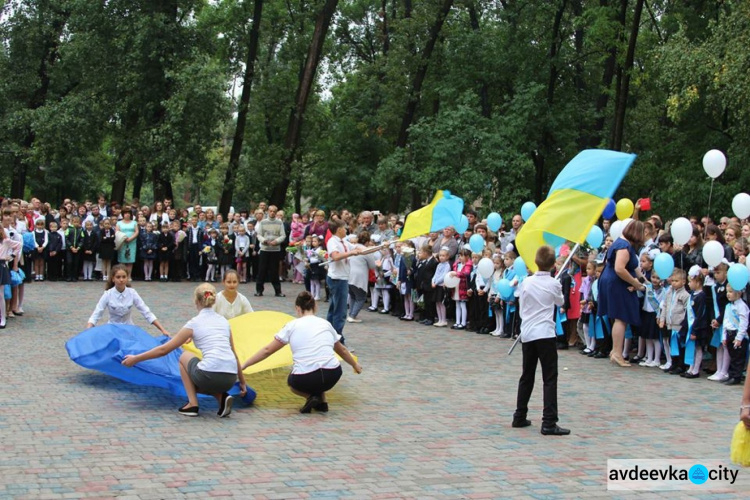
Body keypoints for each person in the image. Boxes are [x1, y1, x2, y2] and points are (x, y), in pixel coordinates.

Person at [122, 284, 247, 418]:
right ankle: (221, 397)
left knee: (184, 357)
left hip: (210, 375)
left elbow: (164, 350)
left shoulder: (194, 323)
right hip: (230, 377)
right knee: (205, 371)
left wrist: (136, 359)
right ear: (214, 300)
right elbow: (234, 354)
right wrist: (242, 382)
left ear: (196, 301)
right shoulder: (224, 322)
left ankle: (192, 404)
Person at [242, 292, 362, 413]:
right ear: (315, 307)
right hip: (333, 374)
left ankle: (311, 397)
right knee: (319, 365)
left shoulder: (291, 326)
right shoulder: (326, 324)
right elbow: (342, 350)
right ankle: (322, 402)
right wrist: (355, 365)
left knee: (292, 382)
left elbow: (267, 350)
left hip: (305, 379)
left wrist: (245, 364)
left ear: (297, 308)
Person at [512, 245, 569, 436]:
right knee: (549, 377)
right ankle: (549, 422)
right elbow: (560, 302)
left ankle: (519, 415)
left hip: (528, 332)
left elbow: (522, 302)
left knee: (527, 375)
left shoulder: (526, 282)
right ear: (553, 264)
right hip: (544, 332)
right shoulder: (553, 283)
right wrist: (557, 286)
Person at [597, 220, 646, 367]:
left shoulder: (619, 242)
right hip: (617, 282)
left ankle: (615, 351)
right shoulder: (624, 246)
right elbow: (620, 268)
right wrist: (635, 283)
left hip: (609, 279)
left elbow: (634, 268)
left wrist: (644, 281)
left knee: (618, 317)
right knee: (621, 318)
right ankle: (617, 353)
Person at [87, 265, 169, 335]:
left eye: (124, 277)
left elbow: (146, 312)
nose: (121, 280)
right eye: (118, 277)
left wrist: (163, 330)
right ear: (113, 279)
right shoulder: (107, 294)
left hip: (129, 330)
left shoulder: (132, 293)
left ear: (127, 278)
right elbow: (96, 314)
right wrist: (87, 331)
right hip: (112, 330)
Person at [325, 219, 361, 343]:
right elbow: (335, 256)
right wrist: (351, 253)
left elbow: (359, 249)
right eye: (344, 228)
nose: (346, 230)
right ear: (339, 229)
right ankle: (338, 340)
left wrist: (380, 247)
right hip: (337, 279)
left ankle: (328, 336)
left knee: (333, 309)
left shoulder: (343, 242)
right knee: (340, 311)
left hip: (342, 278)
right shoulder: (332, 242)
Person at [658, 269, 690, 375]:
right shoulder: (669, 291)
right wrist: (662, 319)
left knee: (680, 346)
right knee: (672, 345)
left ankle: (681, 365)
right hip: (669, 323)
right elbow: (665, 305)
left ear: (683, 282)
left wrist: (684, 324)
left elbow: (687, 311)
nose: (673, 283)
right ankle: (673, 363)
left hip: (679, 324)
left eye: (676, 281)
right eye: (672, 281)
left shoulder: (685, 295)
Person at [721, 284, 749, 386]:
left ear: (739, 293)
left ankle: (736, 376)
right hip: (729, 333)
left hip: (737, 335)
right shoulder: (728, 306)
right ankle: (731, 374)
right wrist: (724, 336)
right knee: (732, 356)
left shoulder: (742, 306)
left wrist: (739, 337)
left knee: (738, 357)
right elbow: (725, 322)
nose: (728, 294)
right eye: (727, 292)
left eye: (731, 292)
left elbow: (743, 323)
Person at [255, 205, 286, 297]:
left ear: (276, 213)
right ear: (268, 212)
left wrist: (276, 241)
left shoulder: (279, 223)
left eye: (274, 211)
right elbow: (259, 235)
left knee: (274, 271)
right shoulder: (263, 222)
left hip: (275, 250)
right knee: (261, 270)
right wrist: (264, 240)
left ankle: (278, 291)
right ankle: (259, 290)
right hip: (265, 249)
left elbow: (283, 235)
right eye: (270, 211)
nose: (272, 213)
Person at [116, 206, 139, 277]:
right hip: (122, 242)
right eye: (125, 213)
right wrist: (124, 238)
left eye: (128, 213)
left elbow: (136, 231)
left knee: (130, 260)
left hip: (132, 243)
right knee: (122, 260)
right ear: (123, 214)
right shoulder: (119, 223)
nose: (127, 215)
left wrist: (130, 238)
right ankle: (122, 275)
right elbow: (117, 231)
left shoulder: (134, 222)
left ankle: (129, 276)